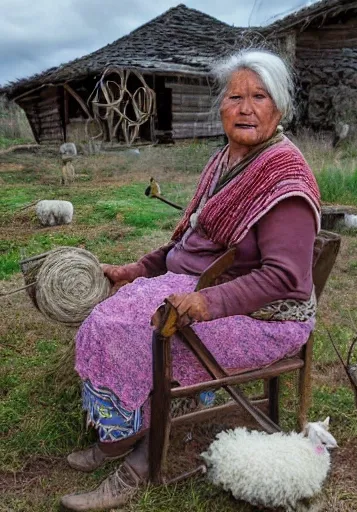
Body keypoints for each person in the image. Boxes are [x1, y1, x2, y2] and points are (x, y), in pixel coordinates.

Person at [60, 49, 321, 511]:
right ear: (219, 106)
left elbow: (284, 277)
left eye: (259, 96)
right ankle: (121, 432)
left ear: (278, 109)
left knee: (147, 336)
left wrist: (207, 304)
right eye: (235, 96)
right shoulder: (226, 162)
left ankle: (138, 458)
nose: (245, 108)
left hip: (266, 318)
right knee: (107, 318)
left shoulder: (284, 178)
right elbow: (191, 243)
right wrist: (138, 270)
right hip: (204, 287)